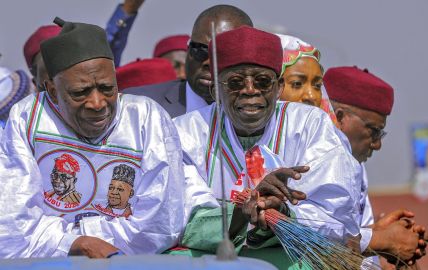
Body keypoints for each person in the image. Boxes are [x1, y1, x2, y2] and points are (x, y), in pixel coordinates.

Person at [0, 17, 217, 258]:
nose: (97, 103)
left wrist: (74, 236)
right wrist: (76, 243)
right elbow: (13, 226)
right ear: (52, 90)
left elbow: (160, 223)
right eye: (80, 92)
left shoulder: (146, 116)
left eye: (107, 88)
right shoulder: (28, 117)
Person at [172, 26, 364, 269]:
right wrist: (241, 214)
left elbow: (335, 215)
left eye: (262, 81)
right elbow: (181, 217)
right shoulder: (183, 132)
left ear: (279, 87)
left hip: (289, 257)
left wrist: (282, 211)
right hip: (213, 258)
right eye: (235, 82)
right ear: (215, 90)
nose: (250, 90)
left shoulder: (311, 125)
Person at [324, 66, 428, 267]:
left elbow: (344, 244)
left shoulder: (355, 168)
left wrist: (379, 233)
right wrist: (382, 240)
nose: (377, 145)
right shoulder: (312, 159)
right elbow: (312, 235)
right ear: (339, 117)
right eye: (374, 131)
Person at [123, 4, 253, 118]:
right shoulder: (136, 105)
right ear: (188, 48)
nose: (208, 62)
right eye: (200, 50)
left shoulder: (261, 114)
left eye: (222, 54)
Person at [23, 0, 144, 92]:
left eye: (70, 61)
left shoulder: (101, 107)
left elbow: (107, 45)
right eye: (51, 70)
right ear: (35, 83)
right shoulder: (22, 121)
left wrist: (127, 11)